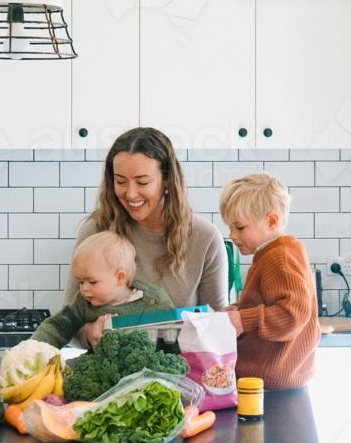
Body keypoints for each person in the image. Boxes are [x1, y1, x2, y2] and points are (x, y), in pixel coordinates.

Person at [63, 128, 228, 336]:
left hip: (178, 366)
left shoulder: (205, 238)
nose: (130, 194)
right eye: (120, 182)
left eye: (143, 182)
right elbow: (67, 319)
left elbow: (217, 322)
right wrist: (88, 333)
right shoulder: (96, 230)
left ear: (166, 179)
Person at [217, 172, 321, 391]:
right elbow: (265, 302)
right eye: (230, 227)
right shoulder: (272, 253)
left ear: (271, 221)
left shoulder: (279, 257)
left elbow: (291, 315)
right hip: (272, 378)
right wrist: (237, 309)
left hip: (269, 380)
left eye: (240, 227)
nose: (232, 235)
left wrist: (242, 320)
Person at [32, 232, 174, 349]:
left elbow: (177, 336)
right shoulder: (82, 303)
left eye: (92, 282)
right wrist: (33, 349)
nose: (84, 289)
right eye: (80, 282)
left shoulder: (154, 301)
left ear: (119, 278)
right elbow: (58, 325)